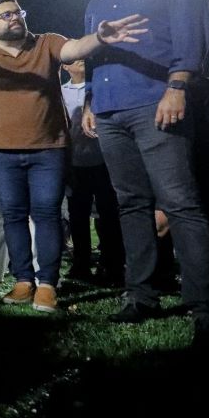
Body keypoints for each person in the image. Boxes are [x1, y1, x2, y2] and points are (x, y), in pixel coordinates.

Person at [0, 0, 145, 312]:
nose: (14, 17)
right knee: (13, 217)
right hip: (3, 151)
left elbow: (75, 49)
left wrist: (99, 38)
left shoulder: (47, 43)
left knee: (47, 215)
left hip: (49, 149)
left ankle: (47, 284)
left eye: (18, 12)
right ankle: (23, 280)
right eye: (6, 15)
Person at [80, 0, 209, 343]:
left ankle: (205, 304)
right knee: (130, 204)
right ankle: (141, 294)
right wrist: (90, 101)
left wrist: (177, 87)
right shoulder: (95, 4)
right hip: (110, 112)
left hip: (155, 102)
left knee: (180, 202)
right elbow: (93, 57)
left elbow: (192, 34)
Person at [60, 60, 124, 282]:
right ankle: (81, 264)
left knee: (109, 215)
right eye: (73, 60)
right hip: (76, 164)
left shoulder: (100, 87)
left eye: (82, 58)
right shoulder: (61, 93)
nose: (80, 62)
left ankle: (113, 264)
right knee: (78, 217)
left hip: (104, 161)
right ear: (65, 67)